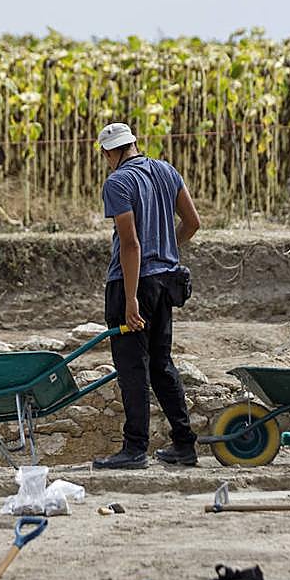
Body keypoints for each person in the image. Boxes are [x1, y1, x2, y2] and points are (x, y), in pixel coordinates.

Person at [93, 122, 201, 470]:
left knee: (132, 368)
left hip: (132, 283)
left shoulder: (118, 182)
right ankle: (184, 444)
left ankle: (134, 448)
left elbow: (130, 244)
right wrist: (167, 246)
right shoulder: (167, 171)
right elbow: (193, 223)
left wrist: (130, 299)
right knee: (161, 365)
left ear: (109, 152)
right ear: (134, 144)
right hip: (165, 283)